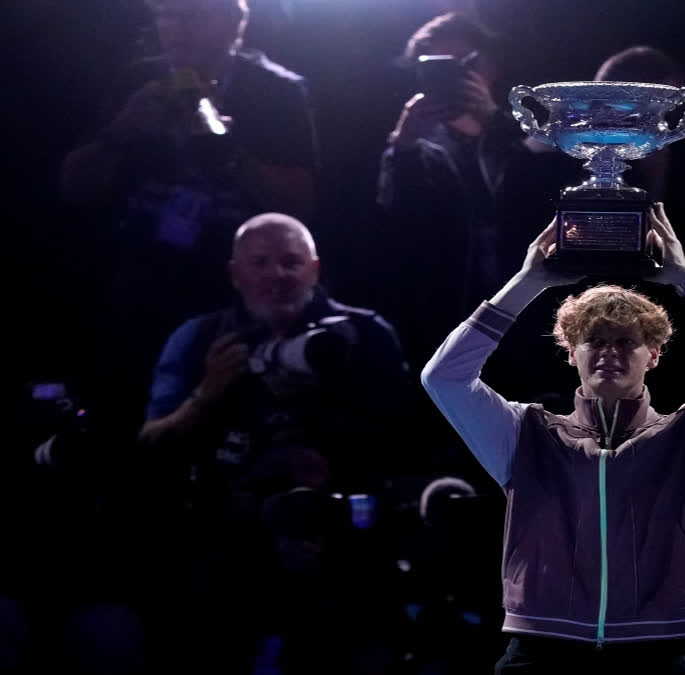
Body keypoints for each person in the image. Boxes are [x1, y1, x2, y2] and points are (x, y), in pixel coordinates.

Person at [421, 204, 685, 672]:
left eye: (626, 341)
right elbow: (444, 378)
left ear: (653, 355)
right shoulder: (526, 432)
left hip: (653, 652)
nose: (609, 353)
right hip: (541, 648)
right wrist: (528, 283)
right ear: (570, 353)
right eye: (595, 340)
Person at [139, 213, 410, 674]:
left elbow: (410, 440)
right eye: (260, 263)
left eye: (290, 262)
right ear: (235, 273)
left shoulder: (362, 335)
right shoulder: (201, 339)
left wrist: (327, 406)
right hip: (229, 553)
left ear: (314, 269)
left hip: (345, 547)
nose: (276, 276)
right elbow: (150, 450)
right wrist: (207, 395)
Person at [59, 0, 319, 436]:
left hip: (230, 296)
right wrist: (122, 130)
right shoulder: (139, 79)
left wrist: (227, 149)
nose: (175, 28)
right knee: (123, 421)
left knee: (222, 427)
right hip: (140, 288)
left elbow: (301, 203)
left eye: (191, 14)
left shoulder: (275, 89)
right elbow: (71, 187)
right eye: (164, 14)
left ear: (235, 20)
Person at [376, 11, 524, 360]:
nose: (456, 75)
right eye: (441, 66)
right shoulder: (415, 146)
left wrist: (492, 122)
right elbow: (395, 216)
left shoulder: (522, 133)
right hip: (442, 314)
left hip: (519, 309)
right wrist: (405, 144)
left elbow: (534, 192)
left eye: (466, 64)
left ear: (491, 68)